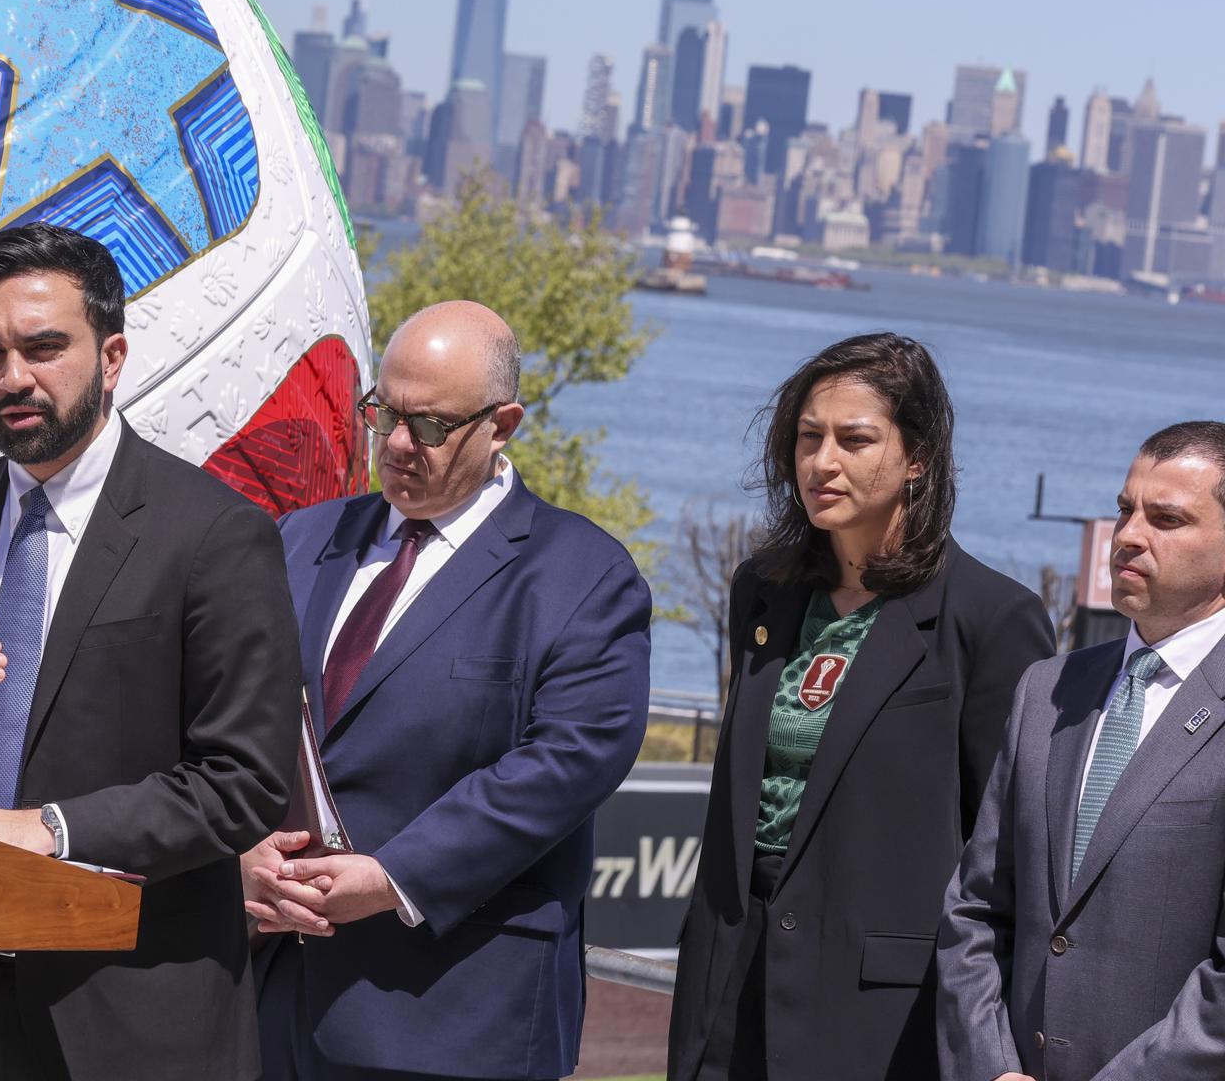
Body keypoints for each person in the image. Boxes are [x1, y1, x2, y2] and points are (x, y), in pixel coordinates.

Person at [0, 223, 302, 1081]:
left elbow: (243, 785)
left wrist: (47, 830)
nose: (13, 377)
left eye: (43, 348)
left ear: (112, 357)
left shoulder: (213, 535)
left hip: (127, 1014)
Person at [243, 300, 652, 1081]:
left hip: (454, 1012)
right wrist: (239, 850)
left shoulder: (583, 575)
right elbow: (223, 713)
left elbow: (570, 760)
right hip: (269, 998)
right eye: (384, 412)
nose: (398, 443)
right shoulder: (301, 538)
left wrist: (394, 877)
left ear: (503, 425)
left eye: (429, 425)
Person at [667, 331, 1054, 1080]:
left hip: (880, 1009)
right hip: (727, 981)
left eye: (855, 439)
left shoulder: (992, 619)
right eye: (808, 437)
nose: (822, 462)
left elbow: (1006, 852)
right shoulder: (762, 589)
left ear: (918, 458)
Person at [940, 421, 1225, 1081]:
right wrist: (991, 1066)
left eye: (1166, 519)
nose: (1128, 535)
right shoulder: (1047, 690)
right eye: (1126, 510)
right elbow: (976, 909)